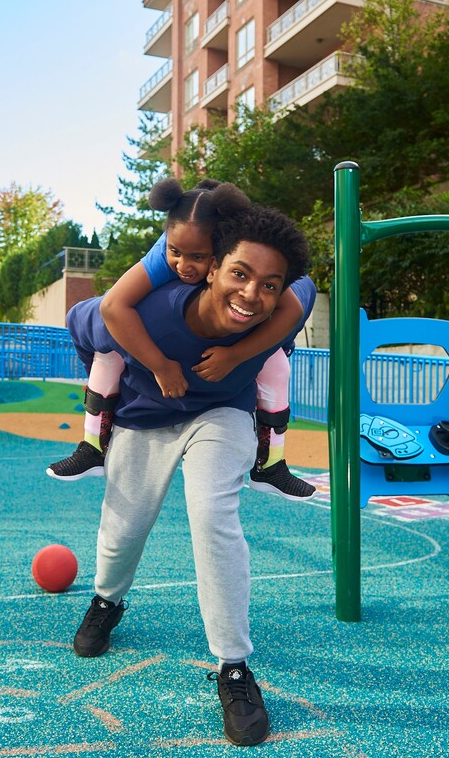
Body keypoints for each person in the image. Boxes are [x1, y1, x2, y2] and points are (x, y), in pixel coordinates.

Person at [64, 203, 315, 747]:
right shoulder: (152, 311)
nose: (252, 294)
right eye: (240, 274)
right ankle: (107, 600)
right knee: (123, 529)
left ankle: (233, 666)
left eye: (268, 285)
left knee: (212, 513)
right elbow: (90, 316)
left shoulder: (285, 303)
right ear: (213, 266)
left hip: (221, 415)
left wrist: (234, 357)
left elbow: (299, 295)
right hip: (146, 416)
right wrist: (137, 366)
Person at [47, 177, 315, 500]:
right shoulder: (163, 256)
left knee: (276, 365)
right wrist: (159, 365)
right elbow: (113, 306)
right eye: (177, 252)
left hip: (230, 356)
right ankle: (93, 446)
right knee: (112, 347)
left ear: (219, 253)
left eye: (197, 257)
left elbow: (291, 310)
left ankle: (270, 463)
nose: (184, 266)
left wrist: (236, 355)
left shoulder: (243, 258)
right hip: (153, 343)